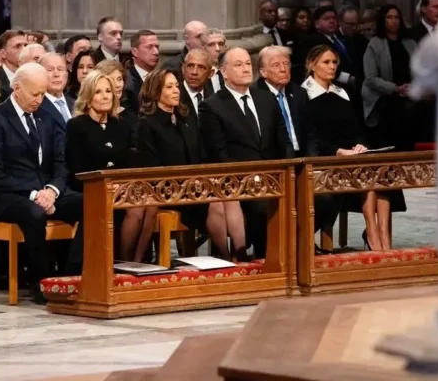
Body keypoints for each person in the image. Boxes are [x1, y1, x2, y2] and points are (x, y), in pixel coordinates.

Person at [0, 63, 84, 304]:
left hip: (47, 191)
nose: (40, 99)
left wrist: (52, 190)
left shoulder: (46, 117)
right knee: (34, 213)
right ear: (16, 88)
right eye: (35, 93)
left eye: (43, 93)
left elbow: (60, 162)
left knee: (90, 204)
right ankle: (41, 282)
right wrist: (35, 193)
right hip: (8, 195)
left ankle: (71, 274)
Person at [199, 47, 293, 260]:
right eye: (238, 65)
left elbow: (284, 142)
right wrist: (252, 178)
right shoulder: (212, 107)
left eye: (248, 64)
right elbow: (219, 153)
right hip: (239, 181)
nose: (245, 69)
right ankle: (266, 259)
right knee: (262, 206)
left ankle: (292, 257)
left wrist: (286, 172)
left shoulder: (267, 99)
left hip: (274, 177)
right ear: (223, 72)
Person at [303, 44, 395, 251]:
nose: (332, 67)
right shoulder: (303, 93)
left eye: (335, 62)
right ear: (311, 64)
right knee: (368, 175)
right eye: (326, 62)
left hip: (353, 154)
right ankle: (371, 231)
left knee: (382, 174)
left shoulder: (343, 92)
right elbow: (311, 136)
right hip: (327, 160)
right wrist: (338, 151)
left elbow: (358, 127)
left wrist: (361, 144)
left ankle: (383, 237)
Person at [65, 71, 138, 259]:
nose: (105, 96)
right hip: (89, 190)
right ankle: (90, 267)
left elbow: (127, 164)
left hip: (120, 191)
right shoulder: (77, 126)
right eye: (98, 92)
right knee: (102, 207)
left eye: (108, 91)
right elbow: (75, 171)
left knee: (140, 207)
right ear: (88, 97)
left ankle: (129, 264)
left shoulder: (121, 125)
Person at [138, 69, 207, 257]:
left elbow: (201, 155)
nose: (176, 90)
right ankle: (136, 261)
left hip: (194, 187)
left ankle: (227, 261)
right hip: (166, 189)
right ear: (155, 92)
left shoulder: (186, 119)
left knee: (222, 202)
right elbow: (151, 165)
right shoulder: (148, 123)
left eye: (177, 86)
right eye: (169, 87)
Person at [362, 4, 418, 152]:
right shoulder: (374, 44)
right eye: (389, 17)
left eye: (396, 17)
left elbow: (421, 69)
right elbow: (371, 78)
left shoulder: (410, 43)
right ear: (383, 21)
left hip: (410, 97)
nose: (393, 21)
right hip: (386, 99)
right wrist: (395, 88)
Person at [255, 45, 308, 156]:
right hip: (274, 160)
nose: (283, 69)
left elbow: (309, 132)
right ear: (263, 72)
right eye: (276, 65)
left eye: (286, 64)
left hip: (302, 158)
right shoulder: (255, 95)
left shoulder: (299, 92)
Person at [124, 30, 160, 111]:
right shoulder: (126, 82)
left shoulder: (162, 78)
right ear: (135, 52)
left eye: (157, 47)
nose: (156, 52)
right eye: (149, 47)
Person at [38, 53, 74, 129]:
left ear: (67, 75)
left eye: (60, 69)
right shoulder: (36, 106)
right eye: (50, 70)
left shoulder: (76, 104)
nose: (56, 74)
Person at [179, 48, 214, 121]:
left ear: (210, 73)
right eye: (190, 66)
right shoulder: (174, 97)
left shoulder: (215, 99)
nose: (194, 72)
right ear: (183, 69)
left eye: (201, 67)